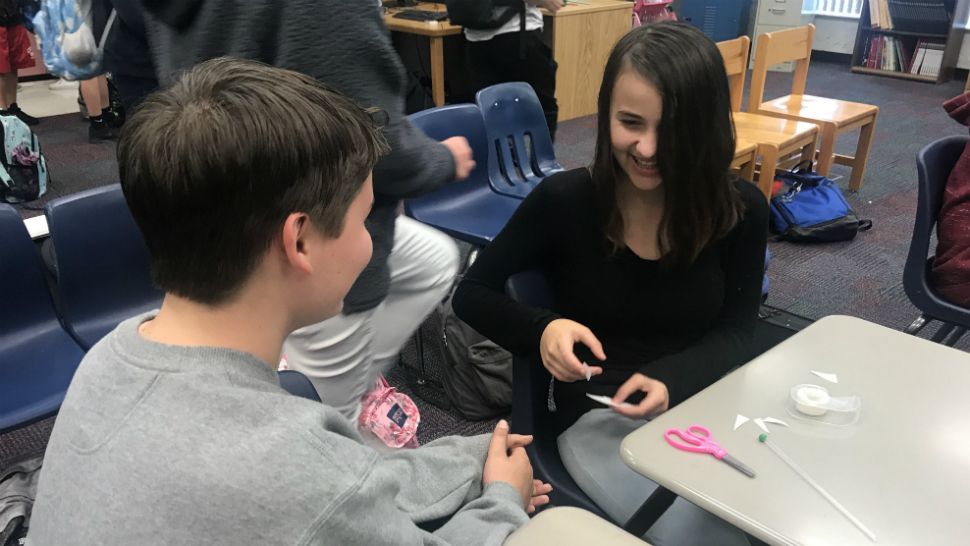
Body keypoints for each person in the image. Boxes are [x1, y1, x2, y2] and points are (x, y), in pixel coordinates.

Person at [27, 58, 550, 545]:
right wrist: (504, 499)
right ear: (299, 241)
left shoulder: (110, 358)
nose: (374, 241)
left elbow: (346, 479)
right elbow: (320, 486)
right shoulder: (285, 469)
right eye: (364, 219)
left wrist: (473, 454)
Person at [453, 22, 768, 544]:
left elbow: (739, 331)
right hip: (601, 418)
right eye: (629, 122)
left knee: (774, 517)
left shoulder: (738, 210)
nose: (647, 148)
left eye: (673, 130)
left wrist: (673, 379)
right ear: (606, 115)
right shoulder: (565, 201)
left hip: (706, 408)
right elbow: (473, 293)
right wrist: (544, 329)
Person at [139, 0, 474, 425]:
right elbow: (367, 133)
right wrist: (441, 160)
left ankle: (334, 389)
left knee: (432, 259)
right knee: (327, 425)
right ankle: (327, 411)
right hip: (299, 235)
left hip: (227, 219)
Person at [463, 0, 560, 139]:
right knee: (541, 110)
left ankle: (505, 158)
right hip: (517, 35)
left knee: (491, 114)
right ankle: (540, 159)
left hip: (476, 38)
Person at [0, 0, 38, 125]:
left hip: (12, 11)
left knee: (13, 62)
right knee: (1, 66)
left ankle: (12, 108)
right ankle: (3, 114)